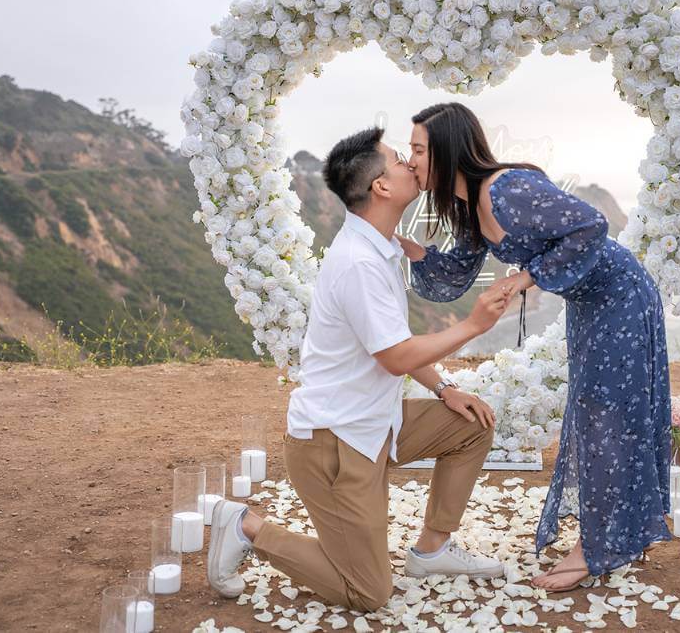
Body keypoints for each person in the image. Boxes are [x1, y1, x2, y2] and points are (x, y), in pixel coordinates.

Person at [206, 126, 512, 612]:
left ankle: (431, 550)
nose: (412, 164)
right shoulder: (359, 263)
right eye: (398, 159)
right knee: (368, 593)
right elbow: (394, 358)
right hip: (334, 445)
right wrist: (474, 324)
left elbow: (391, 343)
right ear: (381, 188)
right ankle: (247, 527)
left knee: (470, 424)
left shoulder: (383, 248)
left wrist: (445, 388)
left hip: (376, 425)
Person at [399, 102, 673, 593]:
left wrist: (525, 278)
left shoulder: (508, 189)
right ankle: (618, 535)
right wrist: (403, 245)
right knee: (599, 413)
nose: (411, 158)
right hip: (590, 302)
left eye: (418, 149)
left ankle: (596, 548)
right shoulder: (467, 206)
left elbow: (591, 226)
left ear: (444, 150)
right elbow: (451, 278)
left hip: (621, 295)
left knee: (604, 415)